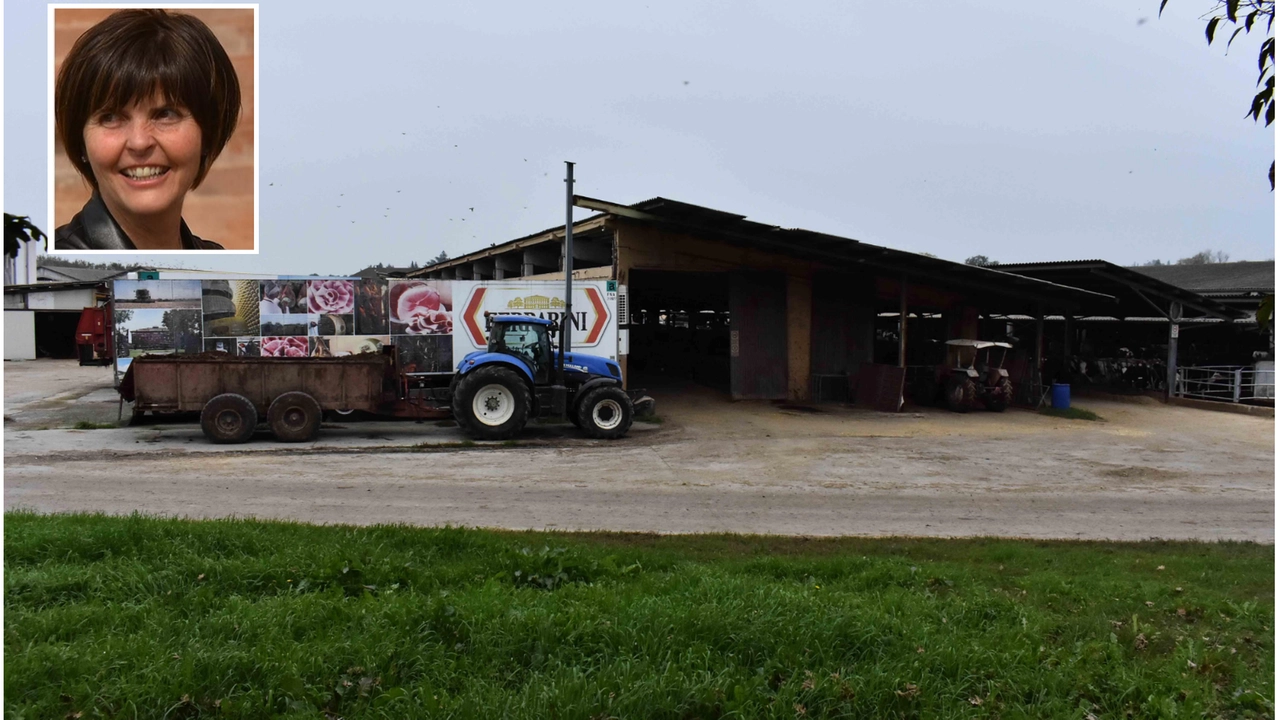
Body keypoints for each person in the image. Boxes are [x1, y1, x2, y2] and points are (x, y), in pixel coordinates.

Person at [54, 9, 241, 250]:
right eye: (110, 117)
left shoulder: (217, 260)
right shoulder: (44, 274)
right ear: (81, 143)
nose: (139, 142)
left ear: (208, 132)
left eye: (165, 114)